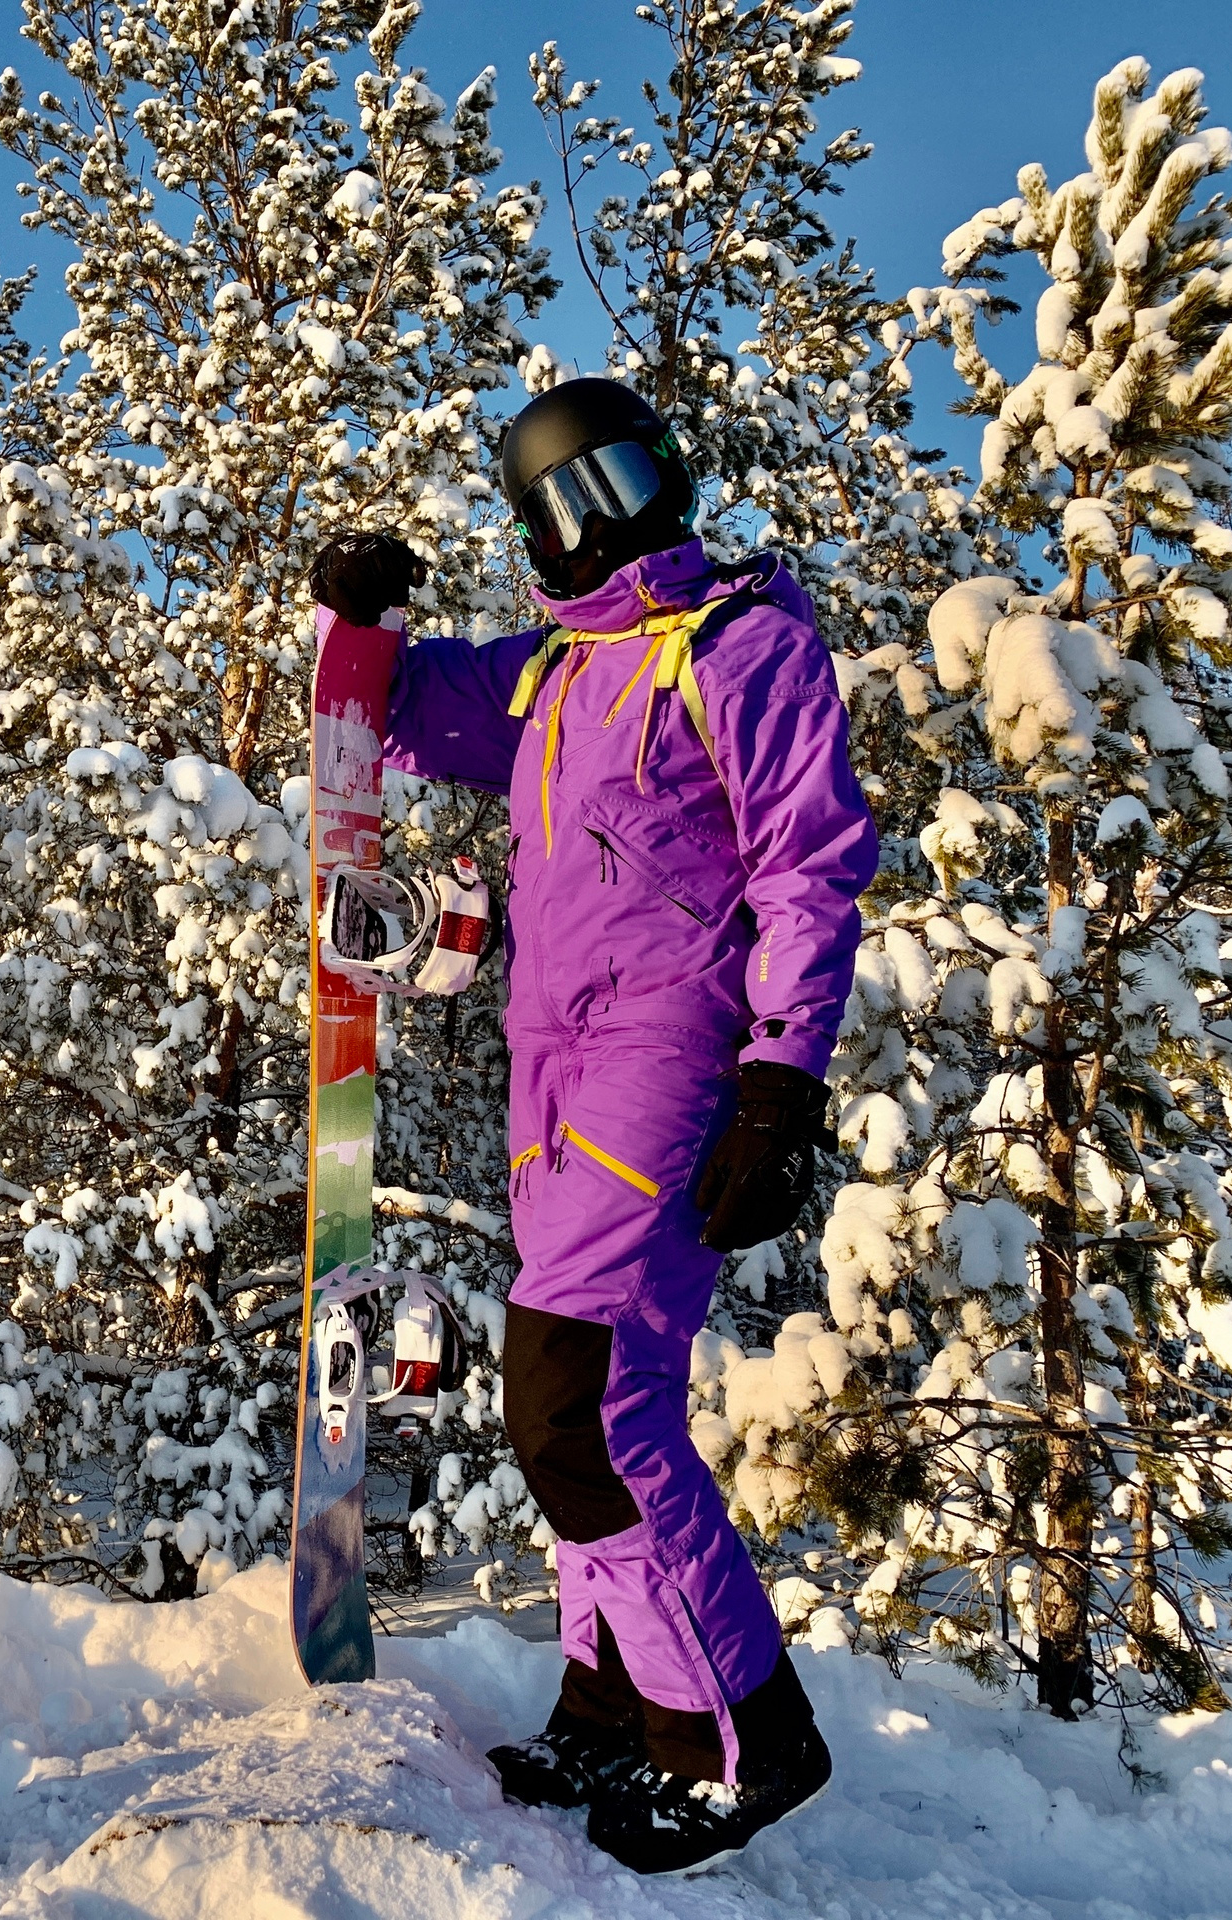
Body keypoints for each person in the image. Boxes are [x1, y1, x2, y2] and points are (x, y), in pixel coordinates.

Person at [308, 377, 877, 1873]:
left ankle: (737, 1737)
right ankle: (612, 1703)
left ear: (667, 478)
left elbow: (811, 868)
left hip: (670, 1060)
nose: (595, 524)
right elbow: (394, 714)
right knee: (588, 1402)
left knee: (582, 1407)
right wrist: (356, 620)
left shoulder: (740, 644)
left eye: (616, 481)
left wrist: (784, 1080)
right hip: (549, 1068)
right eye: (558, 506)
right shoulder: (554, 672)